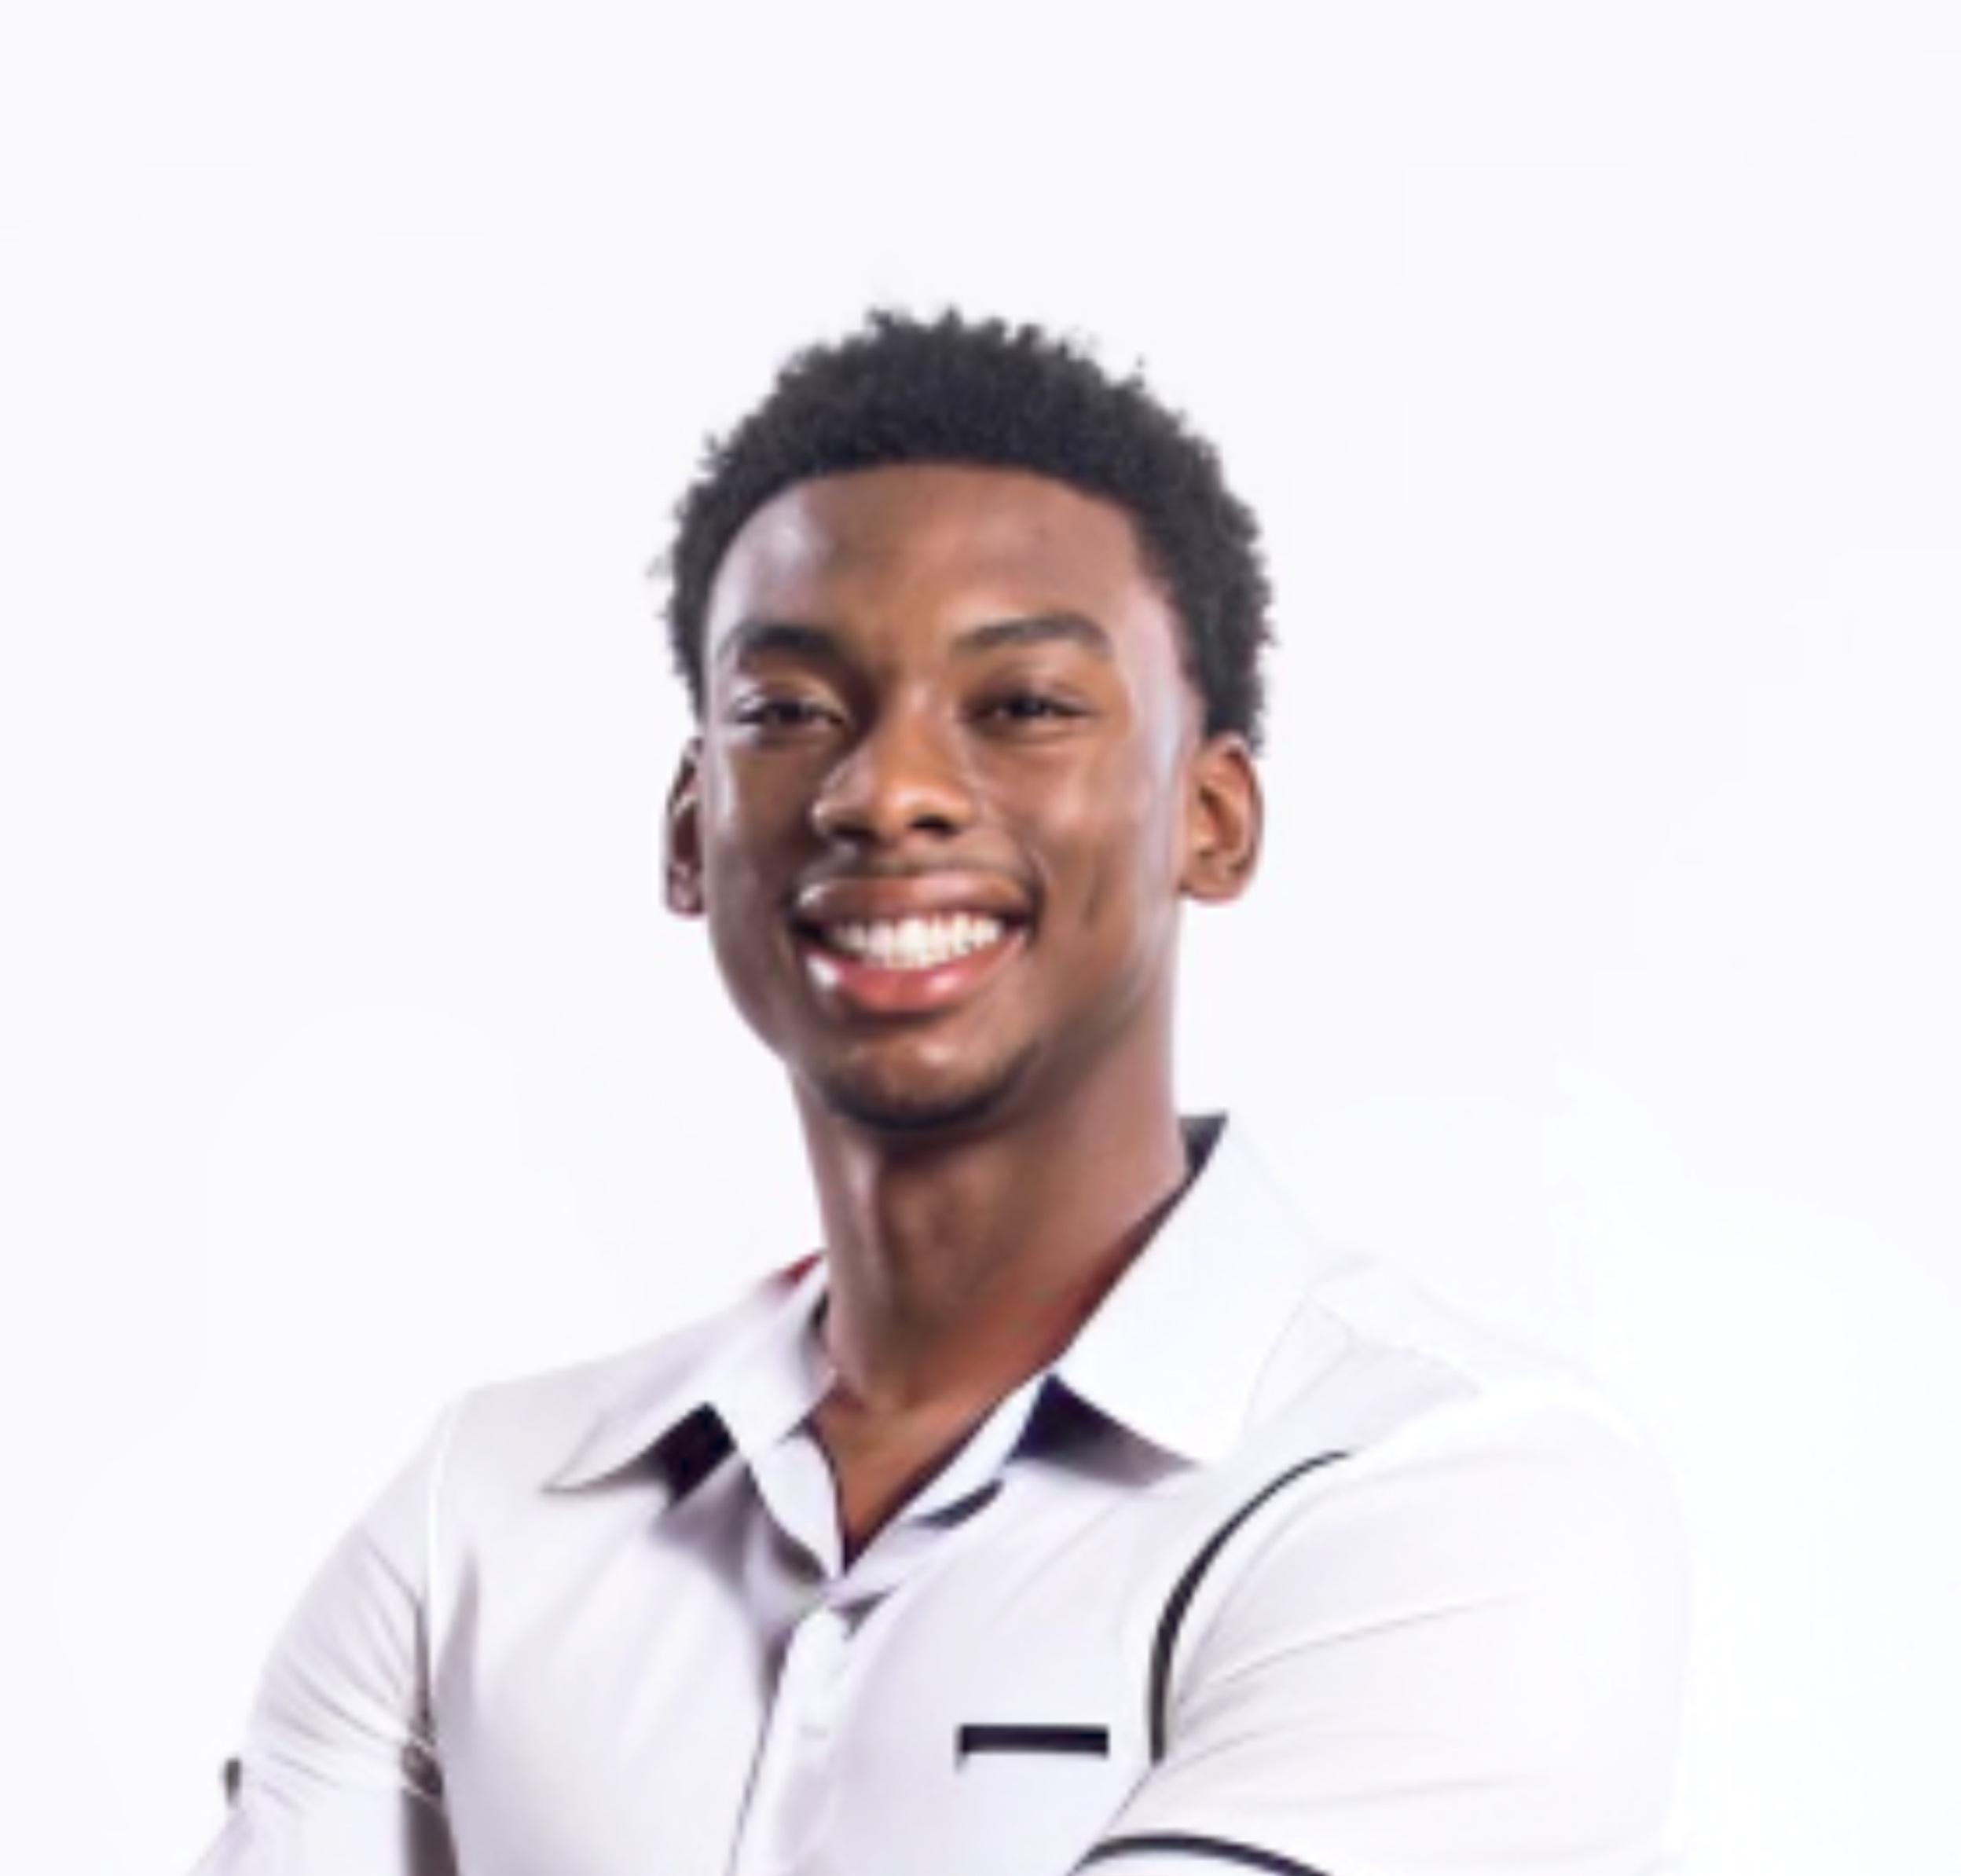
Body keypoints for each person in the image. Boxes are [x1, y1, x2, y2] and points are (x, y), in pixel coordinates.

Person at [192, 312, 1687, 1876]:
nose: (886, 791)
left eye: (1022, 704)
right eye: (788, 710)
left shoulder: (1448, 1492)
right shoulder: (485, 1514)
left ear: (1214, 817)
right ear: (690, 831)